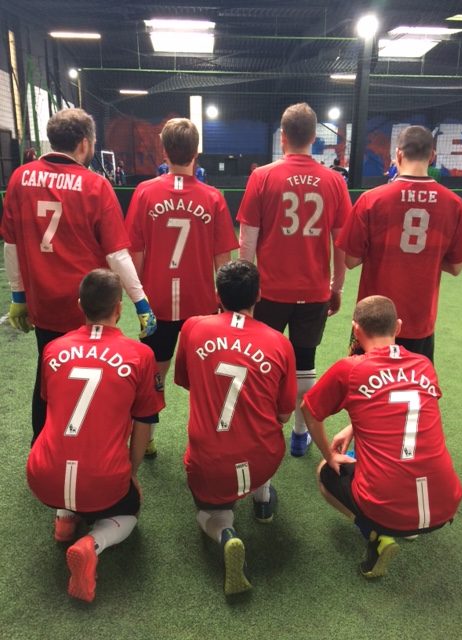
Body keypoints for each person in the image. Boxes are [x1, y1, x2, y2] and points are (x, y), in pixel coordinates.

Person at [1, 108, 156, 444]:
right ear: (84, 143)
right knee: (94, 372)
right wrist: (141, 302)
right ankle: (91, 446)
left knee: (48, 374)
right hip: (89, 304)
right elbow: (116, 254)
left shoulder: (20, 178)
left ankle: (42, 446)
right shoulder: (95, 185)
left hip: (43, 303)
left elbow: (11, 244)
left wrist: (18, 295)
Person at [26, 269, 165, 602]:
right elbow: (144, 422)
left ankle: (65, 518)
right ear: (119, 308)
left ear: (79, 305)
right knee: (130, 510)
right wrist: (131, 474)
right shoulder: (141, 355)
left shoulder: (53, 349)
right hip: (101, 480)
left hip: (43, 475)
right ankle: (93, 543)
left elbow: (50, 408)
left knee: (68, 447)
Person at [301, 295, 462, 579]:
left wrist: (329, 454)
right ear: (398, 327)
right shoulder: (424, 364)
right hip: (446, 504)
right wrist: (352, 428)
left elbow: (308, 410)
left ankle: (375, 532)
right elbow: (404, 404)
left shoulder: (350, 368)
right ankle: (408, 524)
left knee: (326, 471)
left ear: (356, 329)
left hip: (387, 505)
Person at [174, 260, 296, 595]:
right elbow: (285, 415)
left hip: (210, 463)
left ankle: (225, 533)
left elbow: (184, 381)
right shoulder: (280, 342)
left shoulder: (193, 327)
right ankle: (262, 498)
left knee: (210, 512)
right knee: (265, 428)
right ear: (259, 295)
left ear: (218, 294)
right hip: (263, 458)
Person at [237, 102, 351, 457]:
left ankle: (263, 429)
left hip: (268, 291)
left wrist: (243, 289)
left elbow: (247, 240)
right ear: (314, 137)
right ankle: (300, 436)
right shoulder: (335, 181)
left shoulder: (262, 176)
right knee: (305, 360)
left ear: (282, 137)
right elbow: (341, 243)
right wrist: (336, 287)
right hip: (314, 291)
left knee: (263, 362)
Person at [126, 117, 238, 457]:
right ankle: (204, 442)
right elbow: (223, 259)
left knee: (153, 376)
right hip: (201, 306)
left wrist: (138, 299)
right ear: (196, 152)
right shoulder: (213, 197)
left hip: (156, 303)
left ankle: (145, 440)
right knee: (203, 379)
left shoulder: (144, 193)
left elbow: (135, 254)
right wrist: (225, 302)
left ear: (164, 150)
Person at [337, 125, 462, 362]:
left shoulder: (372, 199)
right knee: (414, 379)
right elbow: (456, 267)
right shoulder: (454, 204)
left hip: (374, 318)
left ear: (398, 155)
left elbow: (350, 260)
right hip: (419, 319)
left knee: (364, 378)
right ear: (432, 156)